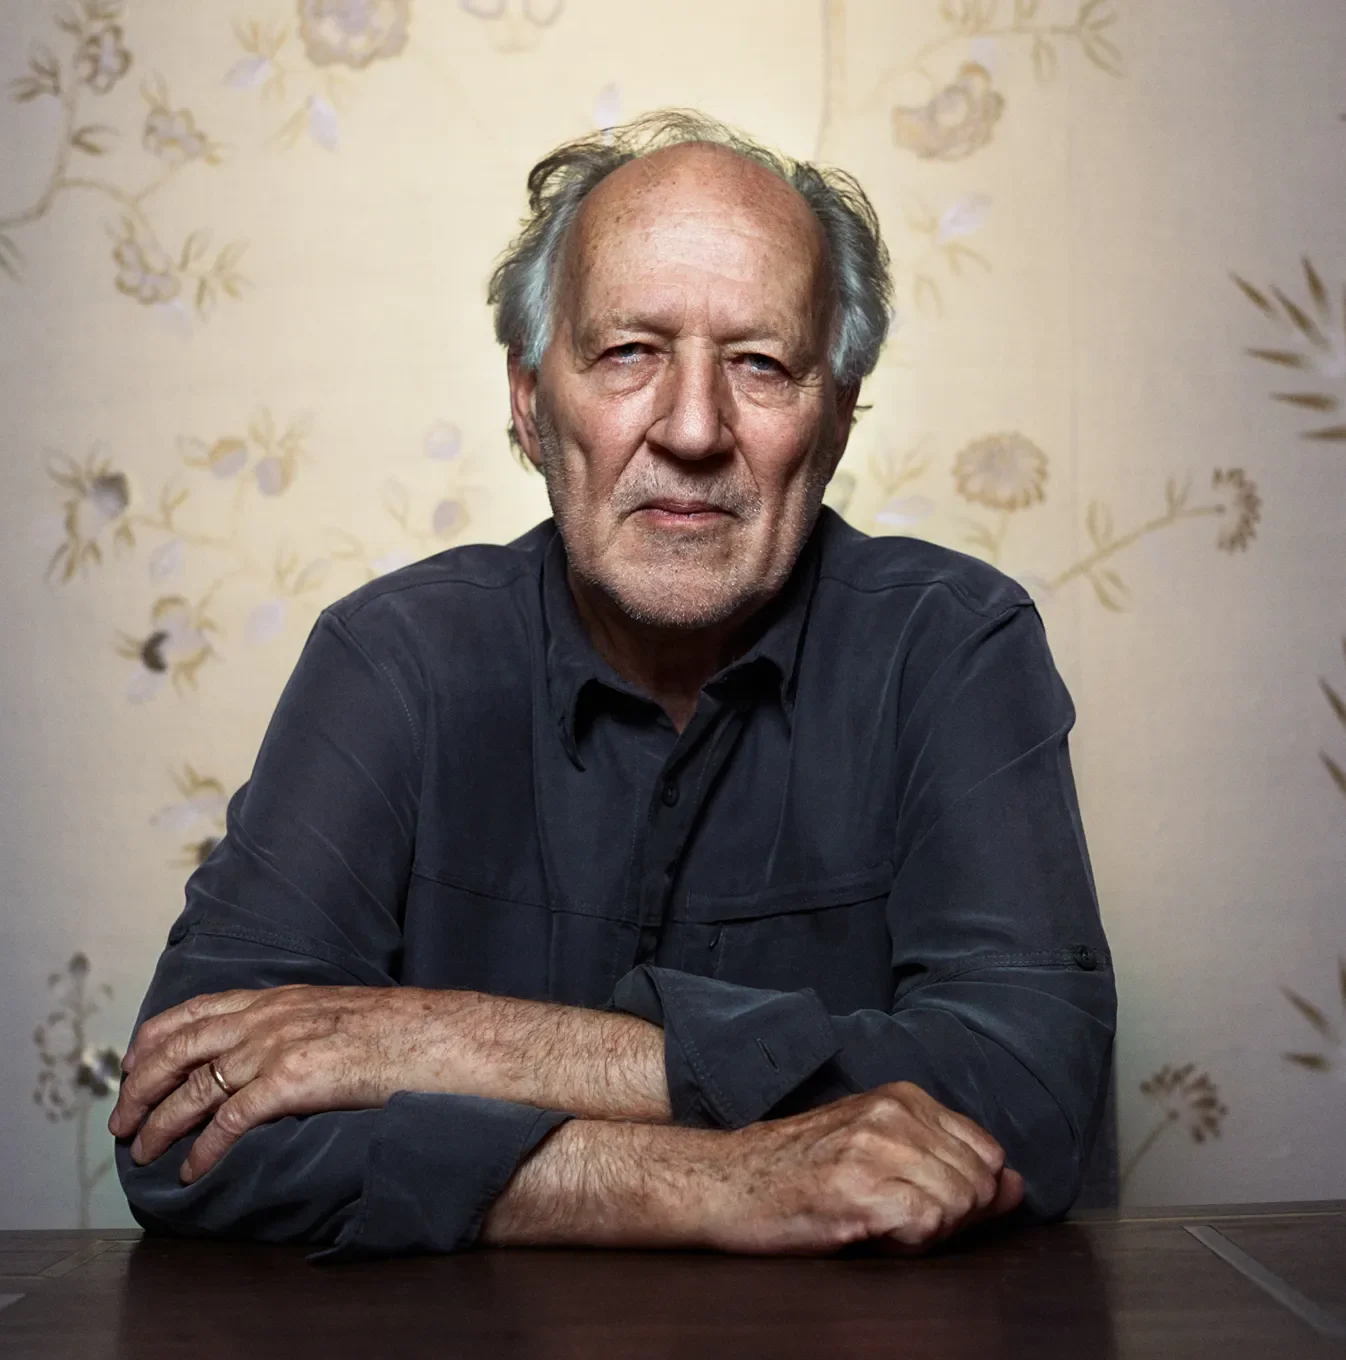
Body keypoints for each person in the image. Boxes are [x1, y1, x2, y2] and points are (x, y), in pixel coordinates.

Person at [109, 111, 1115, 1261]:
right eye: (629, 350)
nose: (691, 428)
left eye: (761, 363)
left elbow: (1035, 1094)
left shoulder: (952, 646)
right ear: (532, 403)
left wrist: (456, 1044)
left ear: (835, 417)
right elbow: (179, 1128)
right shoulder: (389, 659)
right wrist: (703, 1181)